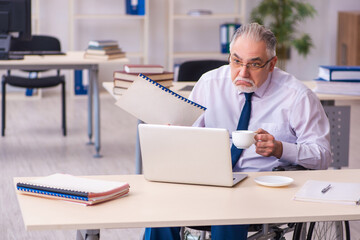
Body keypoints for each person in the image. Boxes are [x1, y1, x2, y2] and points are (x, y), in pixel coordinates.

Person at [144, 22, 331, 240]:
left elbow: (323, 156)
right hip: (209, 179)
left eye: (254, 64)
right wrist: (176, 135)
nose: (243, 72)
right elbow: (191, 134)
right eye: (236, 61)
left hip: (261, 187)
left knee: (228, 212)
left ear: (272, 64)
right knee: (160, 212)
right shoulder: (209, 83)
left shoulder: (297, 96)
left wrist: (281, 149)